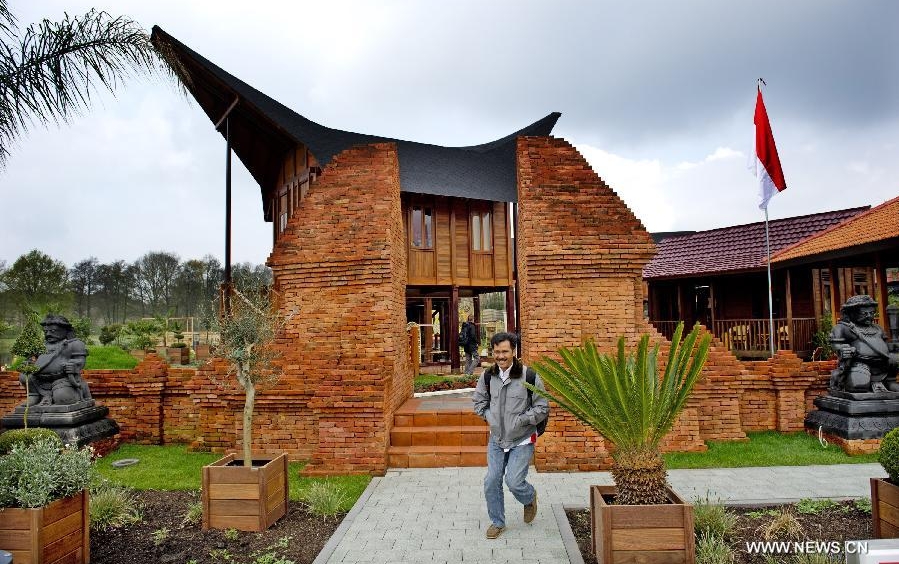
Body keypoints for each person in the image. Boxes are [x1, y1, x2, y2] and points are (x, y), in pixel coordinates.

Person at [472, 331, 548, 539]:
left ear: (514, 351)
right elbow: (478, 403)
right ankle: (497, 522)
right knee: (492, 480)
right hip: (496, 439)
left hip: (522, 439)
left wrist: (521, 420)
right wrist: (490, 417)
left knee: (514, 482)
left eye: (505, 351)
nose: (501, 356)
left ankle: (529, 497)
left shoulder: (529, 376)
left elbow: (542, 407)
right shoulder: (488, 376)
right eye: (497, 352)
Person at [829, 295, 899, 394]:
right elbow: (836, 345)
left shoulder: (877, 328)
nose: (869, 316)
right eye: (864, 313)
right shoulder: (843, 328)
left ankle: (886, 383)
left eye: (871, 313)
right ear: (851, 313)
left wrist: (893, 347)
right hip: (860, 364)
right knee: (859, 385)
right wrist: (843, 349)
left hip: (883, 368)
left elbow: (885, 345)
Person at [19, 314, 90, 406]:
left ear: (65, 330)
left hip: (62, 379)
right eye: (46, 332)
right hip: (38, 381)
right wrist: (28, 363)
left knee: (63, 399)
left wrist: (73, 365)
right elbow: (32, 358)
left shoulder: (74, 344)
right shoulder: (41, 345)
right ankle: (34, 395)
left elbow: (80, 361)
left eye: (53, 331)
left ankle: (70, 394)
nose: (48, 334)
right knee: (24, 375)